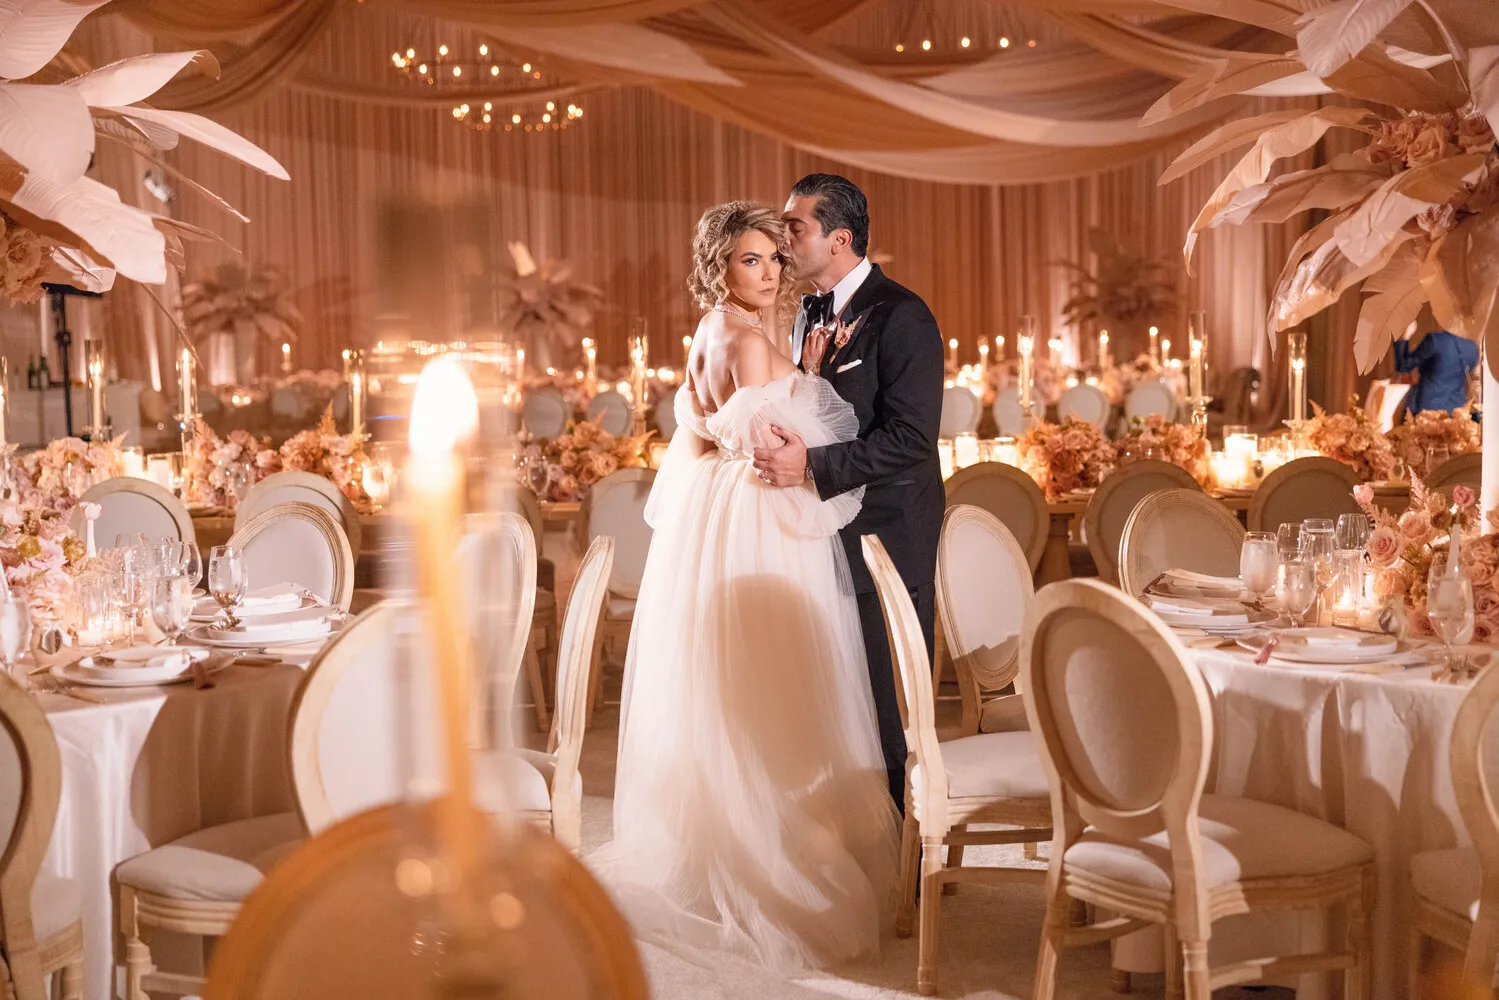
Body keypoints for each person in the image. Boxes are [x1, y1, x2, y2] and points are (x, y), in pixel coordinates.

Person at [590, 201, 898, 970]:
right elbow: (792, 444)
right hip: (759, 510)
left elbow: (696, 434)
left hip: (711, 513)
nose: (765, 272)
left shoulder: (707, 330)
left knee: (723, 684)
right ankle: (770, 864)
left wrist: (802, 374)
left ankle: (713, 838)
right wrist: (814, 381)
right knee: (780, 684)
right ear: (720, 268)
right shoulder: (753, 345)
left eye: (770, 258)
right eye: (747, 261)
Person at [752, 173, 945, 810]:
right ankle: (862, 850)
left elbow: (911, 439)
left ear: (839, 239)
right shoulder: (806, 311)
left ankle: (914, 868)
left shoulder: (903, 315)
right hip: (826, 533)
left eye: (795, 226)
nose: (783, 240)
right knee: (839, 698)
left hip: (888, 535)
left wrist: (811, 463)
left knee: (890, 705)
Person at [1394, 321, 1479, 416]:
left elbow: (1404, 366)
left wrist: (1405, 336)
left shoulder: (1434, 340)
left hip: (1428, 409)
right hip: (1457, 409)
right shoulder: (1472, 347)